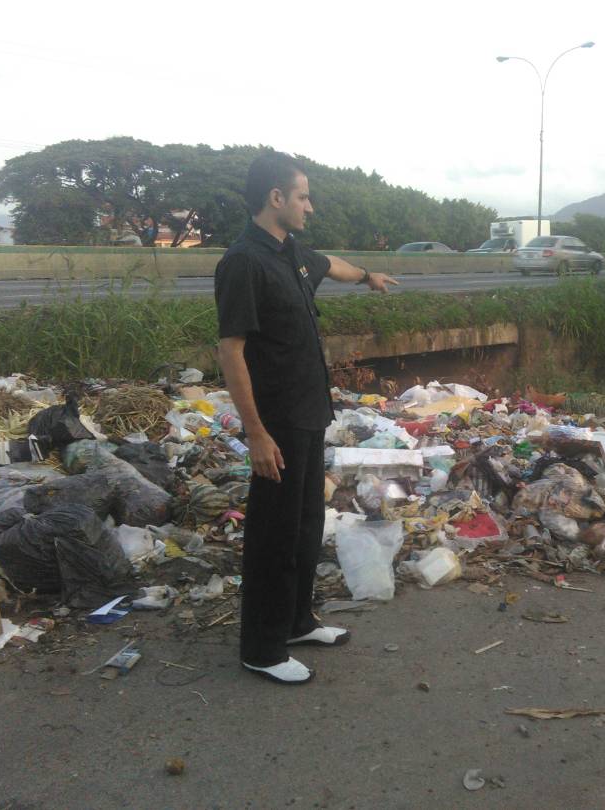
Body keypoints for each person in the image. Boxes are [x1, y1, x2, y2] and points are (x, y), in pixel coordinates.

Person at [215, 152, 398, 685]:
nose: (309, 206)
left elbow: (330, 264)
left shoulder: (290, 251)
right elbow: (231, 351)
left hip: (307, 414)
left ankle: (296, 621)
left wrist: (368, 277)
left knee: (303, 527)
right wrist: (255, 434)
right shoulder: (243, 262)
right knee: (272, 535)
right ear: (276, 198)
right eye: (302, 196)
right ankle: (262, 648)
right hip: (274, 423)